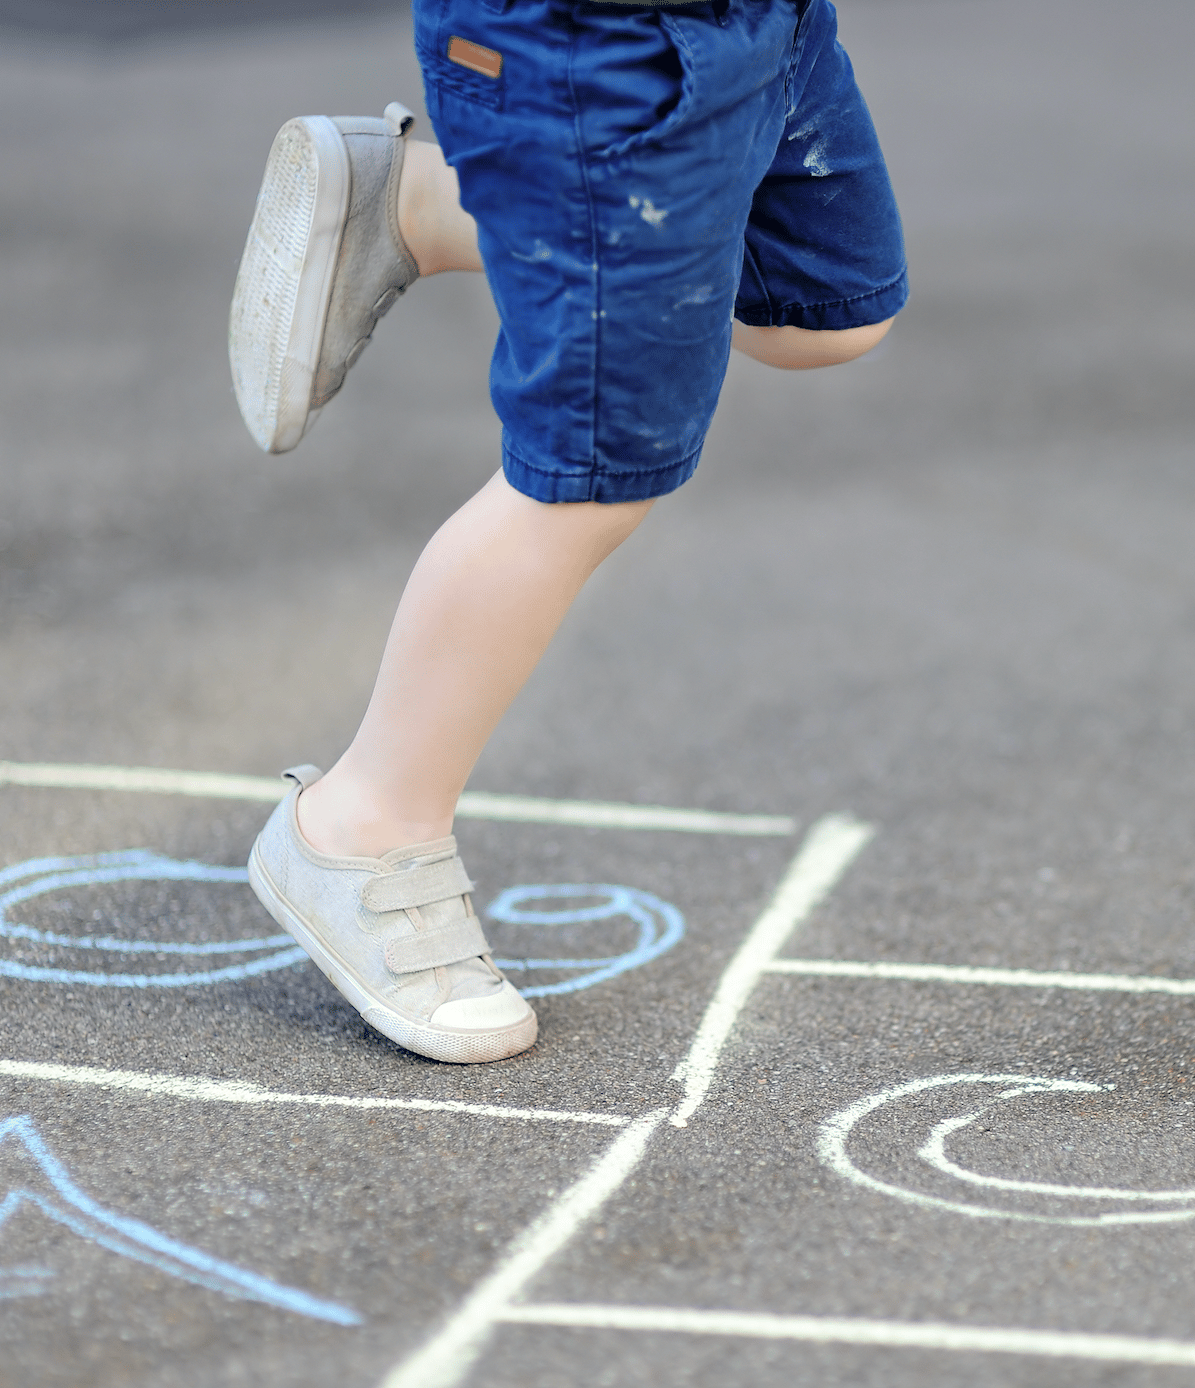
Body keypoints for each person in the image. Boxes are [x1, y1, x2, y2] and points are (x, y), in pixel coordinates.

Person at [228, 0, 906, 1063]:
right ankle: (363, 818)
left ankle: (424, 202)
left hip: (759, 30)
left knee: (827, 312)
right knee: (589, 476)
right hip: (597, 59)